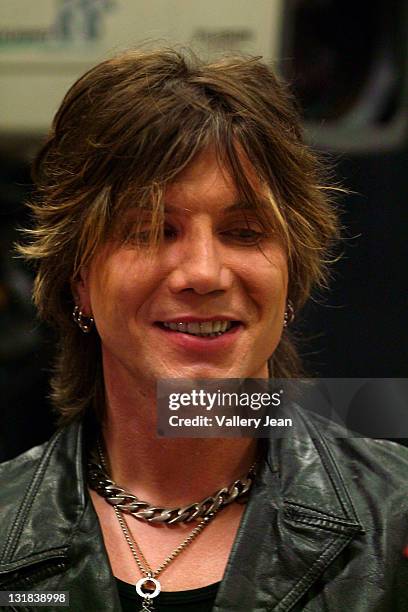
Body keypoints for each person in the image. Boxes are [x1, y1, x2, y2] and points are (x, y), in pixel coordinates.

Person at [0, 47, 408, 612]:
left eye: (244, 232)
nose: (204, 273)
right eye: (152, 229)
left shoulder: (395, 517)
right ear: (80, 281)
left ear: (290, 278)